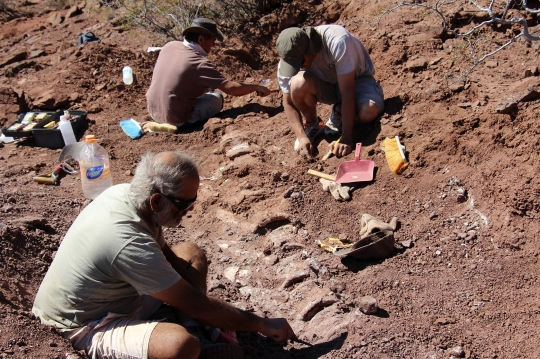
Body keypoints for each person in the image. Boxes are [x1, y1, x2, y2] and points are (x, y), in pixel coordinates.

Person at [32, 150, 296, 359]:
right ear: (157, 201)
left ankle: (193, 326)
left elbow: (167, 254)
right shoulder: (126, 241)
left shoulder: (126, 196)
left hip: (119, 296)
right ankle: (194, 336)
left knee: (191, 253)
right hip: (84, 324)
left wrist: (195, 305)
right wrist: (262, 324)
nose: (188, 211)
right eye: (184, 205)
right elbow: (197, 303)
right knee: (180, 346)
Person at [276, 25, 384, 158]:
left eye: (300, 61)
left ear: (310, 49)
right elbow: (288, 102)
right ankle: (313, 125)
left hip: (357, 80)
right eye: (293, 65)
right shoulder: (288, 58)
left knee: (368, 112)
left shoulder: (337, 40)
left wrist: (346, 139)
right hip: (328, 84)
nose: (298, 67)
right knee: (297, 83)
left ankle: (340, 111)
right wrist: (301, 137)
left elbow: (348, 90)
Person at [145, 18, 272, 131]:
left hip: (153, 111)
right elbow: (231, 89)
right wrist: (256, 87)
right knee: (217, 97)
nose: (214, 45)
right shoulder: (199, 63)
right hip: (176, 119)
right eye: (212, 40)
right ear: (201, 39)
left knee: (205, 89)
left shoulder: (170, 46)